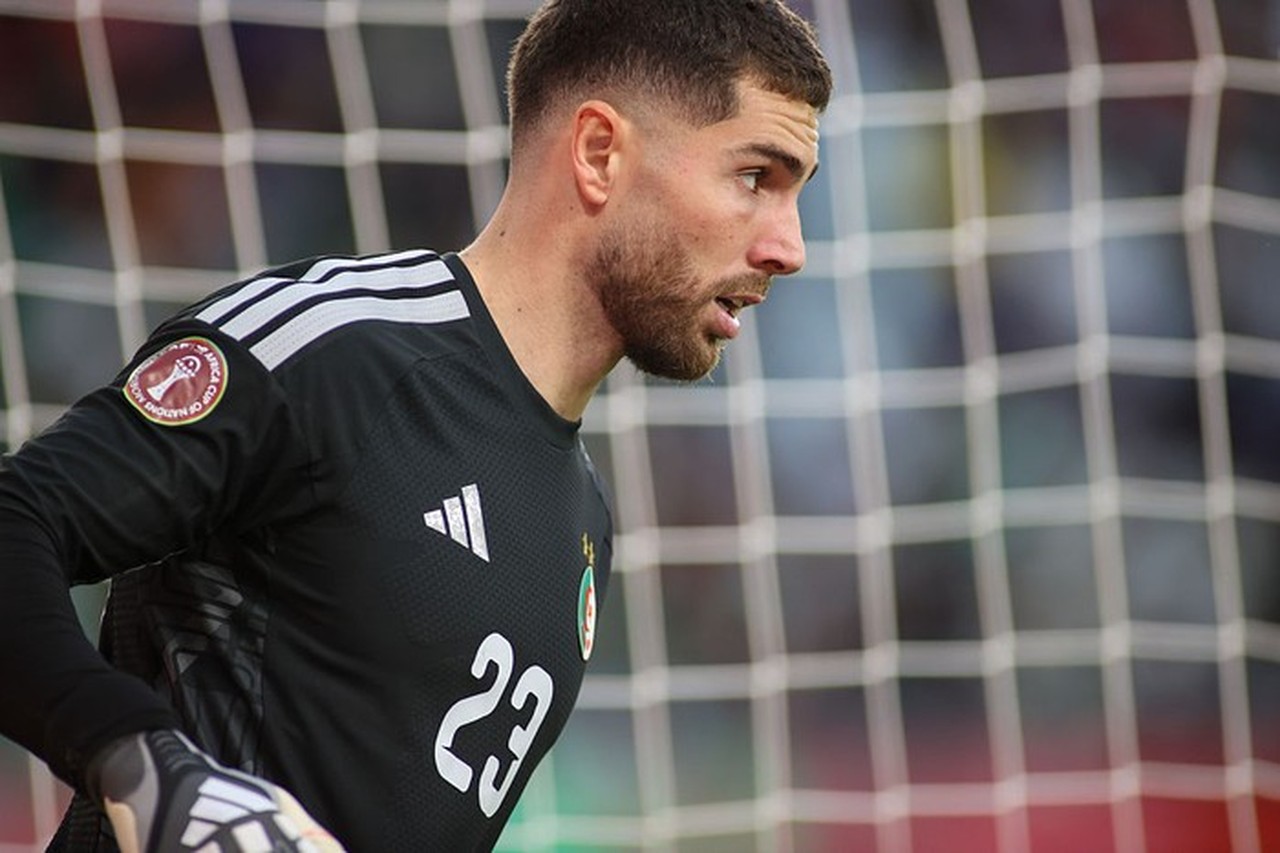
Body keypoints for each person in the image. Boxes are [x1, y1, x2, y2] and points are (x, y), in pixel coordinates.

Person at [0, 0, 832, 849]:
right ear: (598, 153)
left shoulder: (585, 525)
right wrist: (149, 766)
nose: (788, 246)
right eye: (756, 177)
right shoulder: (331, 352)